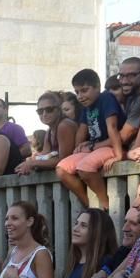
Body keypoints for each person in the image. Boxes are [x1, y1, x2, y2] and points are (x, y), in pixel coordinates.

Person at [55, 69, 124, 211]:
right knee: (62, 169)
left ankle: (106, 204)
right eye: (77, 92)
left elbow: (112, 126)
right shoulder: (87, 107)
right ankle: (89, 204)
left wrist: (118, 155)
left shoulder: (106, 98)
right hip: (96, 148)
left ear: (98, 87)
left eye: (84, 90)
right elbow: (82, 130)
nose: (80, 96)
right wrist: (78, 149)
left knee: (85, 168)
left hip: (111, 146)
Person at [14, 91, 78, 175]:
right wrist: (30, 161)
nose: (44, 114)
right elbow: (44, 156)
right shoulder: (49, 131)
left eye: (49, 110)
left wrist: (32, 163)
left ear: (59, 110)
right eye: (40, 111)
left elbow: (63, 160)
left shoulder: (64, 125)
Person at [116, 57, 140, 149]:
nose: (124, 81)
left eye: (131, 75)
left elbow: (124, 137)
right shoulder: (128, 96)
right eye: (121, 76)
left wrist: (93, 146)